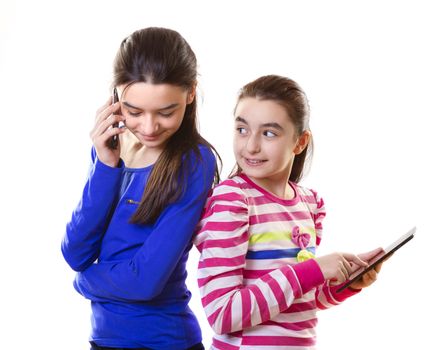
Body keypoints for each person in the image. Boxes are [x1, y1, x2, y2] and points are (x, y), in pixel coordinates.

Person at [194, 75, 384, 349]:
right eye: (242, 129)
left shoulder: (310, 204)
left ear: (300, 142)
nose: (251, 146)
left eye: (269, 133)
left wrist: (347, 284)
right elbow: (222, 313)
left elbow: (303, 300)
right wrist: (312, 270)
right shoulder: (233, 200)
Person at [61, 27, 220, 350]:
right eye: (134, 112)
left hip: (166, 342)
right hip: (104, 340)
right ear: (117, 95)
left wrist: (84, 281)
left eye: (166, 112)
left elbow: (146, 280)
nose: (149, 127)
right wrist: (106, 166)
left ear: (191, 93)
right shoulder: (109, 150)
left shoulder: (194, 162)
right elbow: (76, 251)